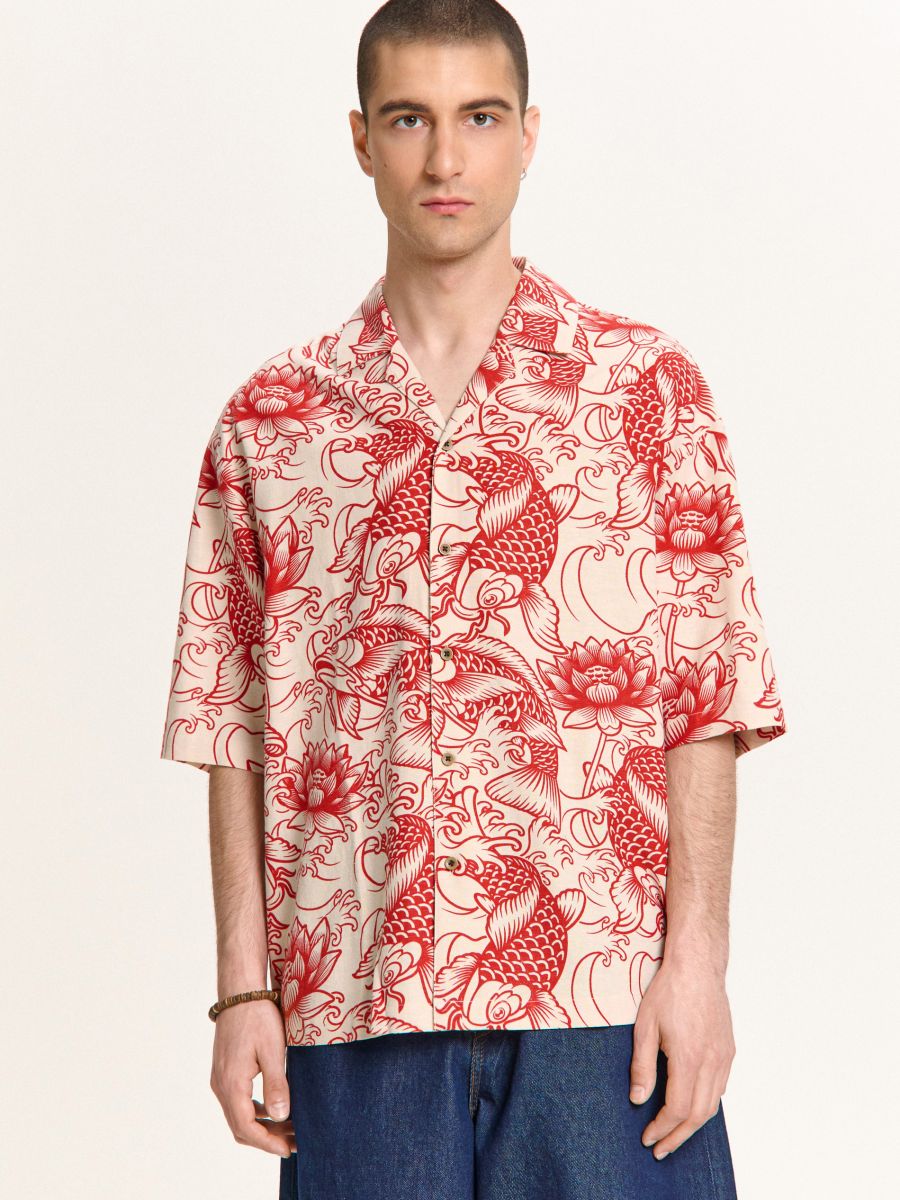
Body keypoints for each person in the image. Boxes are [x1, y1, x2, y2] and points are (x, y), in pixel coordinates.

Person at [160, 2, 788, 1197]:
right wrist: (242, 992)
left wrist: (698, 961)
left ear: (529, 134)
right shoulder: (271, 423)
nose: (445, 158)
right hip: (356, 1006)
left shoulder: (646, 392)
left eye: (480, 118)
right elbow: (229, 724)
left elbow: (708, 698)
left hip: (606, 1010)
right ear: (361, 139)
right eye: (410, 120)